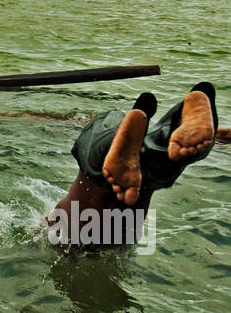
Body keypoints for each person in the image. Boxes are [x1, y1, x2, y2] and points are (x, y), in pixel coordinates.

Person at [47, 83, 218, 249]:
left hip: (110, 221)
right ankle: (196, 100)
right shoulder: (56, 222)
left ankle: (125, 130)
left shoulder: (59, 227)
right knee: (169, 150)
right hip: (119, 196)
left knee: (162, 164)